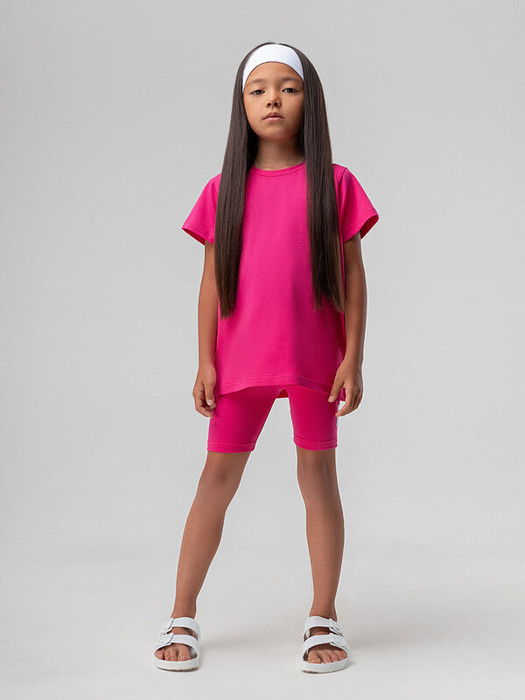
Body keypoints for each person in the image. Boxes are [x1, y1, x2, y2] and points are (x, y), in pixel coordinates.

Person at [154, 42, 379, 674]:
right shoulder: (223, 189)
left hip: (315, 358)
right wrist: (205, 360)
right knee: (216, 481)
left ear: (310, 100)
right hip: (240, 362)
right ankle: (181, 611)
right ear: (242, 105)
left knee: (319, 477)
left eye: (288, 87)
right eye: (258, 90)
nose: (273, 99)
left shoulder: (335, 184)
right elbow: (210, 281)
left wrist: (353, 356)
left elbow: (353, 275)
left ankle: (323, 614)